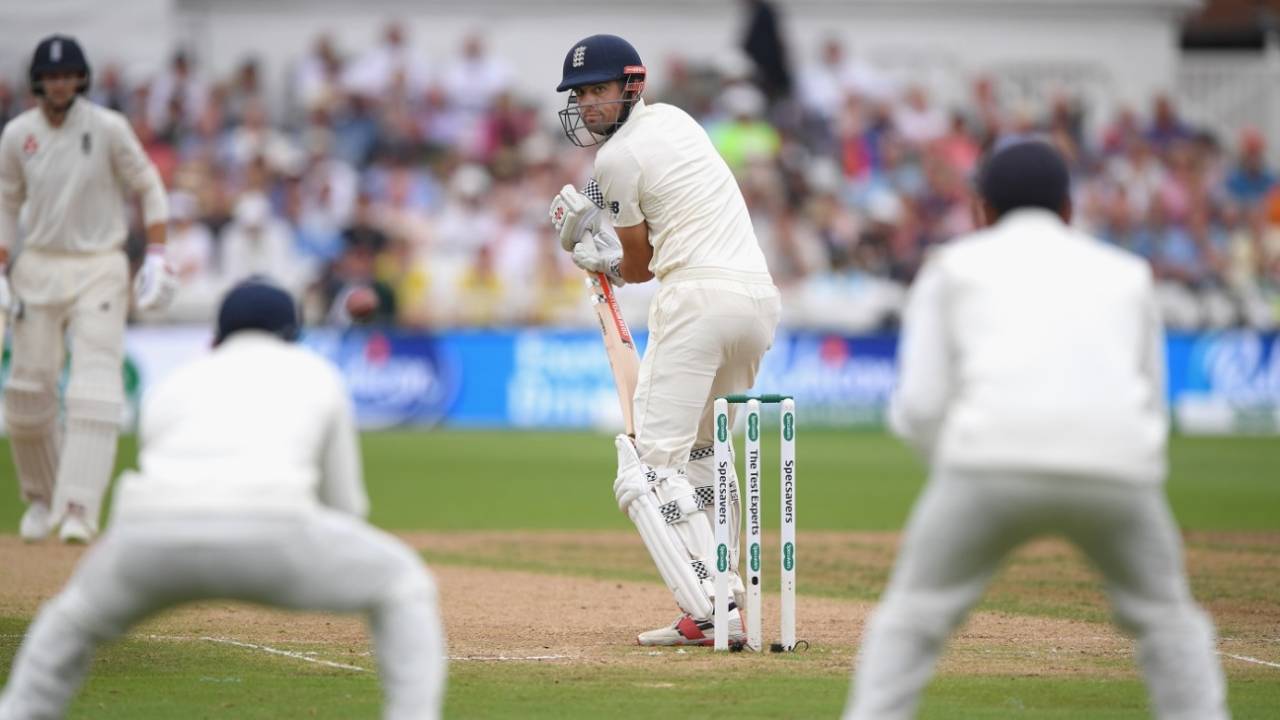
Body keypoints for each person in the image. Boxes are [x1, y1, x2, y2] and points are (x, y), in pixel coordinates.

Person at [843, 139, 1228, 719]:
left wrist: (961, 464)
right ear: (1069, 210)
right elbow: (1152, 401)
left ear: (982, 210)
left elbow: (920, 405)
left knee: (911, 619)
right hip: (1116, 466)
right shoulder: (1128, 274)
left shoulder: (951, 268)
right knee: (1169, 621)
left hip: (986, 465)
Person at [0, 279, 447, 720]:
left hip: (149, 536)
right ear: (292, 334)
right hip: (274, 529)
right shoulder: (317, 373)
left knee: (68, 623)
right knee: (403, 582)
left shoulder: (175, 382)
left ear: (218, 335)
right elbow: (346, 507)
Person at [549, 34, 781, 647]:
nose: (587, 105)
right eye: (580, 94)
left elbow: (641, 264)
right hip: (757, 298)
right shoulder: (676, 121)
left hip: (698, 298)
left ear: (631, 86)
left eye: (597, 91)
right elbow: (640, 207)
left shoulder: (614, 159)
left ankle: (711, 610)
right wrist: (596, 225)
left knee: (647, 468)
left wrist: (598, 259)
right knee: (702, 453)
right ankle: (729, 598)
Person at [0, 35, 176, 544]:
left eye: (67, 75)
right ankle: (41, 497)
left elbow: (149, 185)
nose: (59, 83)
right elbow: (7, 204)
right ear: (38, 81)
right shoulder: (17, 136)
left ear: (81, 79)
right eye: (51, 75)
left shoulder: (108, 128)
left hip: (100, 263)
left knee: (94, 389)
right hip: (39, 266)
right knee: (27, 392)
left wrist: (158, 256)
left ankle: (78, 507)